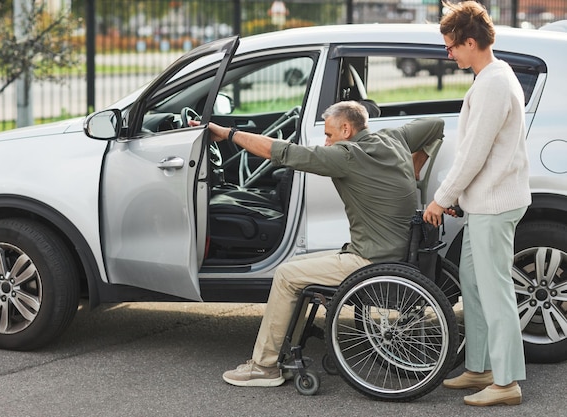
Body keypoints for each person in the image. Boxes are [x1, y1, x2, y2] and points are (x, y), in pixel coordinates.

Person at [205, 100, 444, 387]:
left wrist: (228, 134)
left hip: (371, 260)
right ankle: (282, 355)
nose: (326, 141)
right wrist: (416, 164)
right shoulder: (394, 138)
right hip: (398, 252)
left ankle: (264, 367)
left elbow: (277, 151)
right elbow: (435, 126)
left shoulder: (346, 155)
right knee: (294, 268)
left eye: (329, 135)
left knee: (284, 275)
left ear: (346, 129)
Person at [423, 1, 531, 407]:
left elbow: (474, 154)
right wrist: (460, 198)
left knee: (495, 289)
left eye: (452, 47)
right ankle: (481, 367)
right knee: (474, 283)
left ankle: (506, 383)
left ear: (471, 41)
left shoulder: (493, 84)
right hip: (485, 201)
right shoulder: (493, 78)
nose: (449, 54)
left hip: (494, 204)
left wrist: (441, 198)